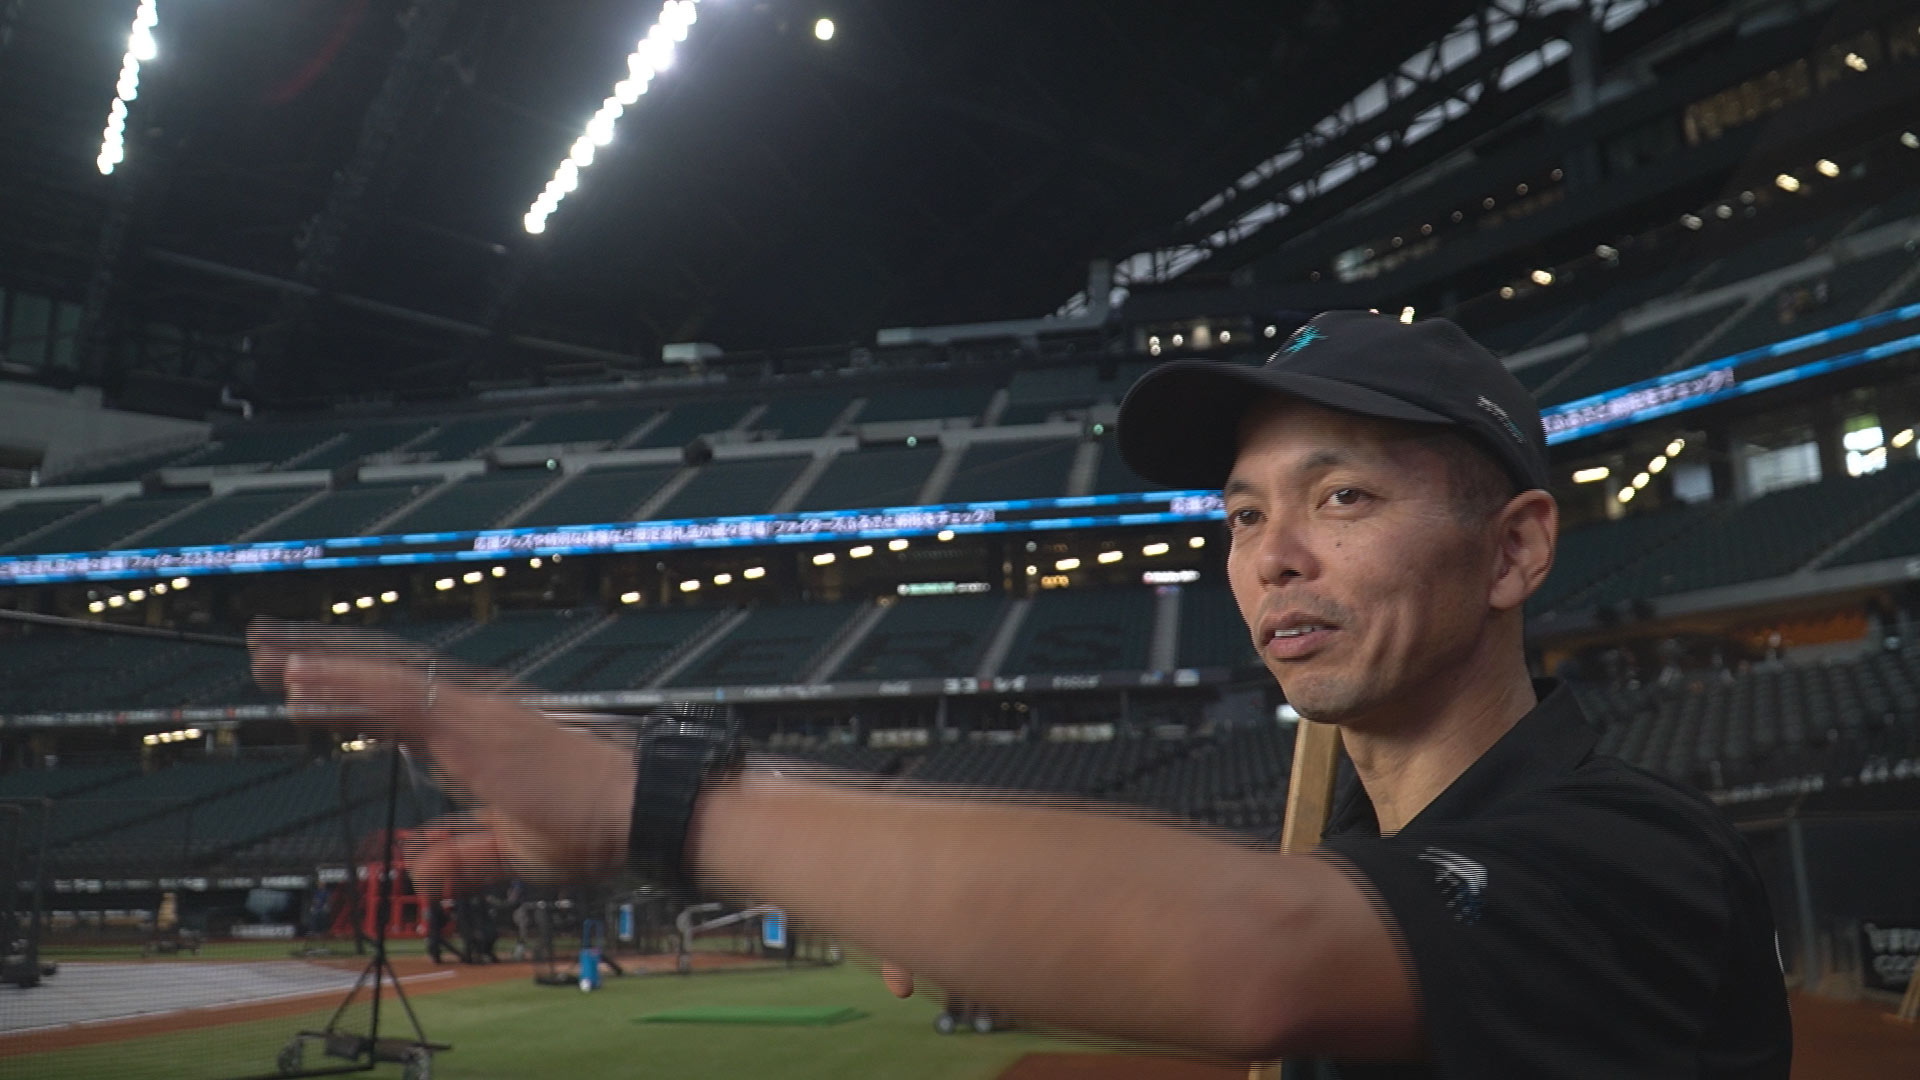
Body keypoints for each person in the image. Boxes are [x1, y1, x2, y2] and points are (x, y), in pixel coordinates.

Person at [250, 310, 1791, 1075]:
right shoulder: (1372, 857)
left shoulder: (1629, 856)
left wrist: (642, 796)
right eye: (1244, 515)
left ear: (1516, 549)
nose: (1273, 559)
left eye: (1345, 500)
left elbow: (1250, 956)